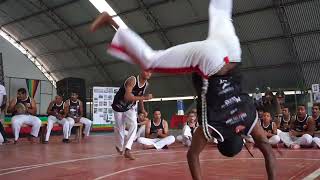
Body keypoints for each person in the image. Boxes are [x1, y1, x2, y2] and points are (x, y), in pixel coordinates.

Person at [90, 0, 276, 179]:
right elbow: (192, 156)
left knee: (222, 12)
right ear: (220, 140)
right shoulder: (213, 127)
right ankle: (112, 23)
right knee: (150, 60)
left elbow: (267, 149)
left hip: (233, 52)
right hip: (211, 61)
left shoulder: (251, 119)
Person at [111, 71, 152, 160]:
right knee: (120, 128)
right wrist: (145, 98)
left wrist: (143, 109)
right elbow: (127, 97)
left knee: (134, 124)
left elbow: (140, 97)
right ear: (141, 71)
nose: (149, 74)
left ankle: (127, 149)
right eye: (147, 71)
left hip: (130, 107)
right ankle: (120, 146)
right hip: (118, 105)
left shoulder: (146, 84)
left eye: (150, 72)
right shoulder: (132, 80)